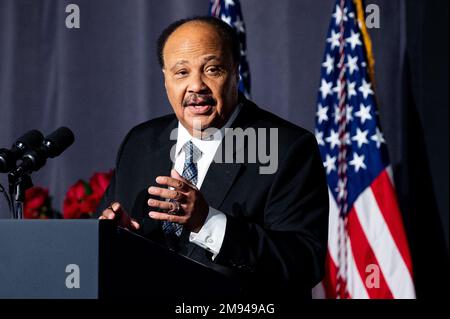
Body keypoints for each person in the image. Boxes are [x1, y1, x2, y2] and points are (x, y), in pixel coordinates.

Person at [98, 16, 329, 298]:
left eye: (212, 70)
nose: (196, 86)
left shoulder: (287, 147)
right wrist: (121, 238)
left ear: (235, 71)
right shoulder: (140, 142)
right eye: (181, 72)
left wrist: (207, 222)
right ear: (165, 78)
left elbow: (304, 264)